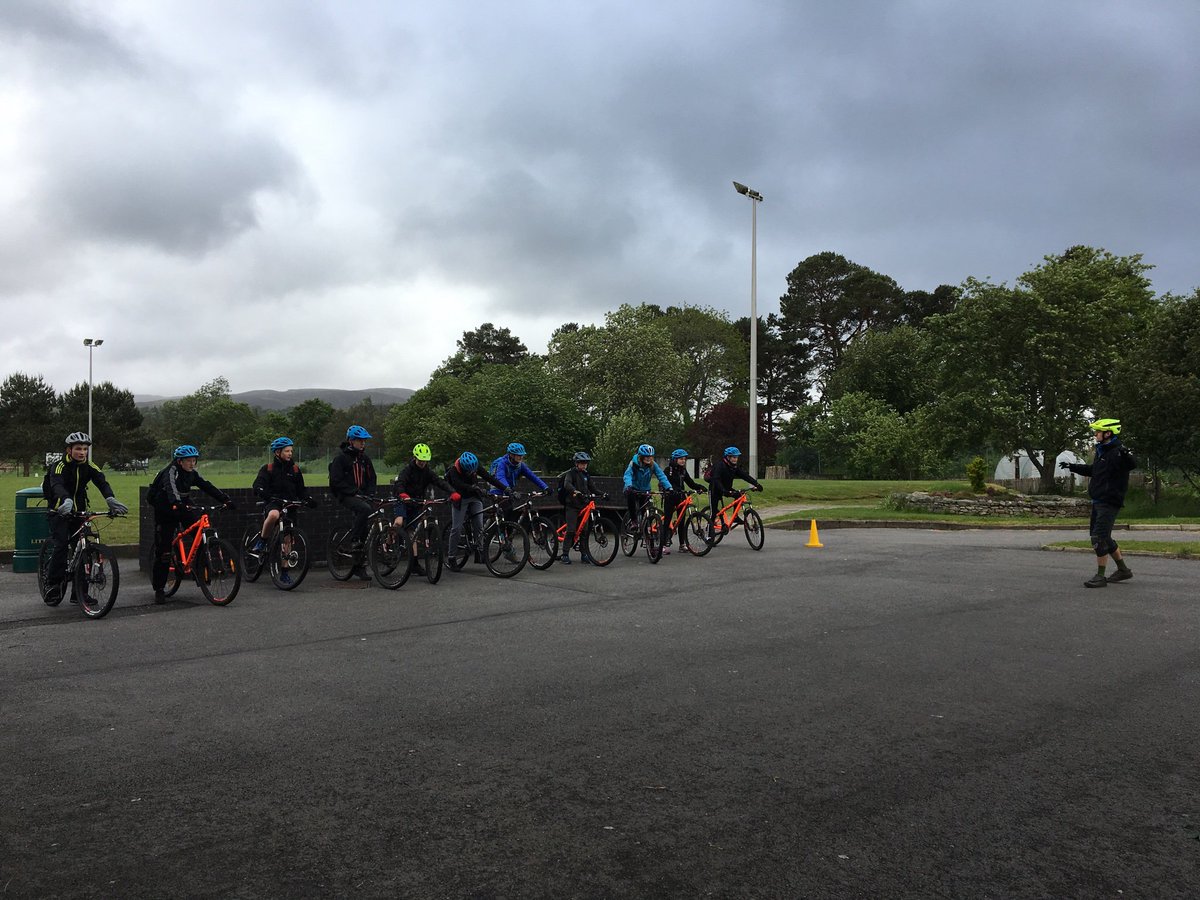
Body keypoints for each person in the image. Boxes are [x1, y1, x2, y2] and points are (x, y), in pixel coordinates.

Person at [42, 432, 128, 603]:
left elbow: (102, 482)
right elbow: (57, 484)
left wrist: (110, 498)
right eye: (78, 449)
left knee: (83, 550)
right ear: (69, 450)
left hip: (79, 510)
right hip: (59, 510)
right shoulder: (58, 466)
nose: (82, 452)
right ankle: (52, 584)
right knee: (61, 545)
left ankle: (79, 593)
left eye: (85, 449)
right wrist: (65, 500)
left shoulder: (89, 466)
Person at [148, 445, 233, 603]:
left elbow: (206, 485)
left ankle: (198, 568)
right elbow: (170, 487)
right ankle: (159, 588)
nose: (192, 464)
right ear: (180, 461)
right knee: (164, 550)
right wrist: (176, 503)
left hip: (183, 504)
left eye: (194, 460)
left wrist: (225, 499)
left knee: (200, 535)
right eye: (189, 461)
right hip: (165, 507)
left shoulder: (191, 473)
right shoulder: (170, 471)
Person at [1060, 418, 1137, 587]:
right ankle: (1123, 570)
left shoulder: (1118, 452)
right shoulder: (1102, 452)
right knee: (1104, 537)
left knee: (1099, 537)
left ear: (1108, 433)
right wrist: (1072, 466)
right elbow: (1094, 471)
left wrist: (1126, 454)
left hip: (1109, 501)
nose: (1095, 435)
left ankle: (1100, 576)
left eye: (1097, 432)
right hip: (1098, 500)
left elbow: (1131, 464)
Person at [250, 438, 316, 582]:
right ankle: (262, 541)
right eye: (287, 451)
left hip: (290, 505)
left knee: (287, 540)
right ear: (278, 452)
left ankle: (285, 572)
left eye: (291, 450)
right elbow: (258, 484)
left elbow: (301, 490)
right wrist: (263, 492)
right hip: (274, 503)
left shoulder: (295, 470)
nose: (290, 453)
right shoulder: (268, 468)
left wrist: (308, 499)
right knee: (273, 514)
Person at [445, 451, 506, 565]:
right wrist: (474, 487)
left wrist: (506, 489)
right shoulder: (454, 471)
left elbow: (489, 478)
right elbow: (459, 485)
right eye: (469, 471)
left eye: (474, 470)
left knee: (479, 525)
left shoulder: (474, 465)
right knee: (456, 528)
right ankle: (451, 556)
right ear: (463, 467)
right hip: (460, 499)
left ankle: (480, 552)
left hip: (474, 497)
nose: (472, 472)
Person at [706, 446, 763, 539]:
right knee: (713, 512)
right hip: (715, 489)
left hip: (727, 488)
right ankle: (709, 535)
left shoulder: (734, 467)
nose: (735, 459)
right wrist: (724, 491)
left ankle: (735, 516)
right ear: (727, 457)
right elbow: (716, 479)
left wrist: (756, 483)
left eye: (736, 457)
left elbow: (745, 476)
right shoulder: (720, 466)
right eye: (733, 457)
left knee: (739, 495)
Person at [559, 451, 600, 565]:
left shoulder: (586, 475)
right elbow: (567, 484)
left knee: (584, 531)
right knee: (571, 530)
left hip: (584, 505)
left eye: (586, 463)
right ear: (576, 463)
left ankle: (584, 554)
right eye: (582, 463)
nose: (584, 465)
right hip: (572, 506)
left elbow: (593, 488)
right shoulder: (571, 474)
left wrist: (603, 494)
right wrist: (575, 491)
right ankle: (565, 554)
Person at [662, 448, 704, 555]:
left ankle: (682, 544)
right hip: (670, 497)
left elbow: (690, 483)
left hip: (681, 497)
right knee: (667, 519)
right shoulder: (668, 470)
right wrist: (674, 490)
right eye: (680, 459)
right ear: (675, 459)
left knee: (682, 522)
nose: (683, 461)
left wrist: (700, 487)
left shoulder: (683, 471)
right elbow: (667, 482)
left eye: (684, 459)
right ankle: (662, 544)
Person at [622, 443, 672, 528]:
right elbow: (627, 475)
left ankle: (647, 528)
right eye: (646, 456)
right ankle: (633, 521)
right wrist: (629, 486)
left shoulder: (653, 465)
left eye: (651, 456)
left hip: (645, 489)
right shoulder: (633, 464)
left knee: (648, 509)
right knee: (631, 499)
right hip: (633, 488)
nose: (649, 458)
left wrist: (669, 487)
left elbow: (661, 476)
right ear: (641, 457)